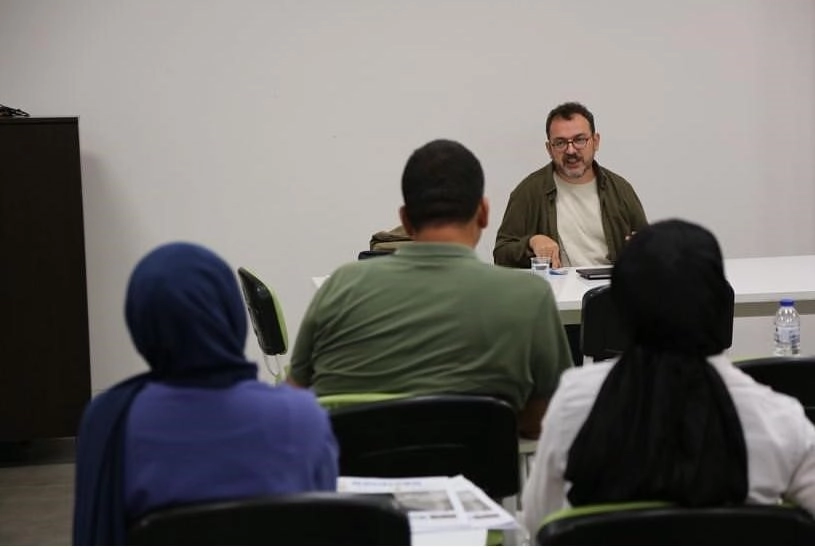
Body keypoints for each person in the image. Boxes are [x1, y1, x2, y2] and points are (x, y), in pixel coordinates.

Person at [521, 219, 815, 537]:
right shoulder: (779, 420)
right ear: (720, 303)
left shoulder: (574, 402)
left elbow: (540, 523)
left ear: (619, 309)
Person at [288, 139, 573, 439]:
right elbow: (546, 419)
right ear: (483, 213)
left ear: (405, 220)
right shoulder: (530, 296)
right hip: (475, 466)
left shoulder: (340, 287)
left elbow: (293, 398)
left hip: (358, 467)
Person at [73, 242, 338, 545]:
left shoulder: (109, 422)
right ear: (232, 311)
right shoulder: (303, 417)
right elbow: (325, 527)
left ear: (138, 321)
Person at [493, 101, 647, 270]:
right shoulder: (529, 191)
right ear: (549, 149)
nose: (571, 150)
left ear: (595, 141)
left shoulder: (620, 190)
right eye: (560, 143)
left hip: (610, 284)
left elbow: (648, 247)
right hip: (554, 286)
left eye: (580, 140)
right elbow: (501, 254)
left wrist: (642, 248)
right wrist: (531, 243)